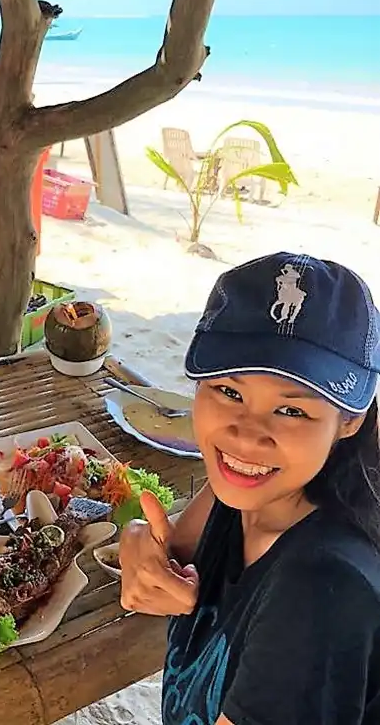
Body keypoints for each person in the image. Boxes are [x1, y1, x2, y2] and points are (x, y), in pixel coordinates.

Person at [120, 251, 380, 725]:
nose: (245, 434)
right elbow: (171, 548)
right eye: (229, 392)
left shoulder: (320, 593)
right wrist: (138, 543)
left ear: (350, 421)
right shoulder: (250, 491)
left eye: (292, 410)